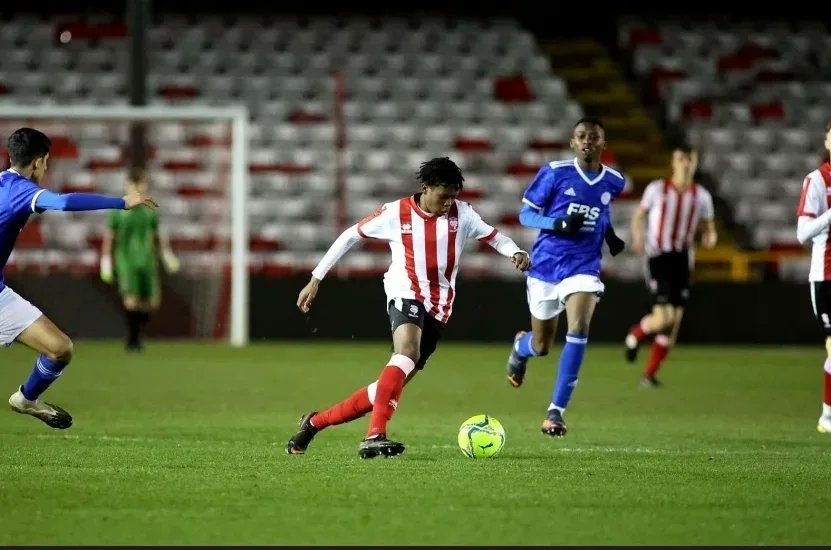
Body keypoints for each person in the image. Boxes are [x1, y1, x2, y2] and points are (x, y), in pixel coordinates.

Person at [286, 157, 530, 458]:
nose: (448, 203)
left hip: (439, 307)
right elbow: (350, 236)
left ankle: (313, 424)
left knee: (385, 389)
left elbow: (495, 238)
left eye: (454, 196)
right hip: (405, 291)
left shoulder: (462, 214)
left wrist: (515, 251)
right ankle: (374, 435)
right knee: (407, 352)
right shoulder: (395, 213)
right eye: (444, 196)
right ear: (425, 188)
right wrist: (316, 278)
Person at [2, 127, 158, 429]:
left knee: (60, 349)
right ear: (37, 162)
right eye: (46, 163)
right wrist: (121, 202)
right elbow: (63, 203)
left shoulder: (5, 186)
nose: (45, 169)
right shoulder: (20, 190)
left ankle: (26, 399)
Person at [504, 117, 626, 438]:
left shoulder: (614, 180)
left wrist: (610, 235)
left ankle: (555, 411)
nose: (587, 141)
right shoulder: (555, 173)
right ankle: (521, 347)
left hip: (583, 266)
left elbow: (603, 209)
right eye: (581, 136)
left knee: (579, 326)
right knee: (542, 345)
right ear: (573, 143)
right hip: (545, 266)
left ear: (603, 144)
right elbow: (525, 214)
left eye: (594, 137)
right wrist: (557, 224)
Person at [623, 145, 717, 387]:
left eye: (690, 159)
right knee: (663, 318)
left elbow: (709, 228)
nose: (686, 164)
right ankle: (636, 334)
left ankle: (649, 374)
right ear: (673, 163)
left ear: (695, 163)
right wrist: (638, 237)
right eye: (681, 159)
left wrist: (710, 237)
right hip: (659, 257)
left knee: (673, 324)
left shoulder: (702, 196)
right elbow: (638, 216)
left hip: (683, 260)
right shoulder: (657, 189)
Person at [99, 170, 179, 352]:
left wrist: (167, 256)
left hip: (148, 260)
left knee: (152, 303)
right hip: (126, 260)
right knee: (131, 300)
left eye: (140, 184)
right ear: (127, 186)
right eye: (133, 184)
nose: (137, 188)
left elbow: (158, 234)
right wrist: (106, 262)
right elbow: (110, 236)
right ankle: (133, 341)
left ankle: (135, 333)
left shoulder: (150, 209)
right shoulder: (119, 210)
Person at [795, 121, 831, 434]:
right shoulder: (817, 181)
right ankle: (827, 416)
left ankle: (827, 416)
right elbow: (802, 233)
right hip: (826, 277)